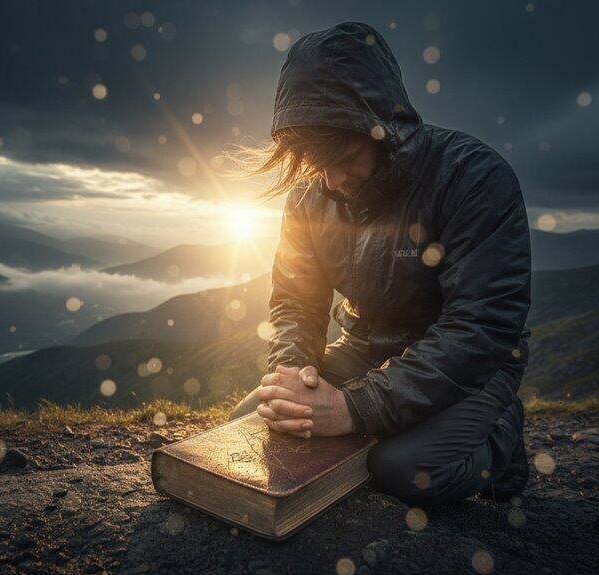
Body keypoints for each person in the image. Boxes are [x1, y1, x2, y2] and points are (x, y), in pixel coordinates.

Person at [226, 21, 533, 506]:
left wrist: (353, 409)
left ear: (383, 126)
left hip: (474, 365)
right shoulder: (310, 194)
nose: (330, 178)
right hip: (367, 345)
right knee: (252, 421)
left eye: (344, 155)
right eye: (312, 159)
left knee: (406, 471)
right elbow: (295, 300)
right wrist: (296, 377)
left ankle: (502, 436)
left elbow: (482, 327)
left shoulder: (473, 177)